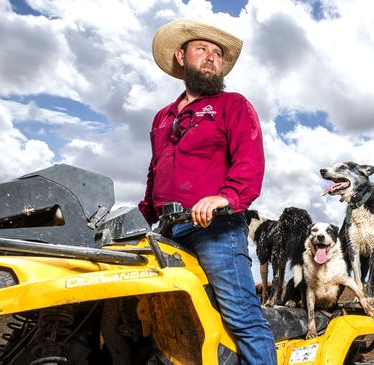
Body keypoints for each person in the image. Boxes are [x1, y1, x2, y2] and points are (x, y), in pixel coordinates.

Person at [139, 19, 277, 365]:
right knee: (158, 317)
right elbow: (156, 172)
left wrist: (226, 197)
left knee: (242, 317)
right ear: (181, 56)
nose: (212, 57)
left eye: (217, 53)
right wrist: (141, 217)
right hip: (167, 231)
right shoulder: (162, 117)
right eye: (202, 49)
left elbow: (249, 160)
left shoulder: (233, 105)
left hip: (215, 228)